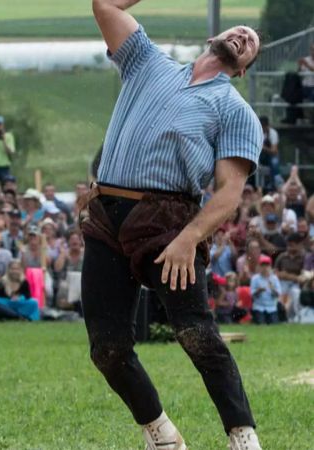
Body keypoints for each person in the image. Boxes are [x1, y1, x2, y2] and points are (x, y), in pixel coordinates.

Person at [82, 2, 263, 448]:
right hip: (107, 218)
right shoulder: (147, 61)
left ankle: (243, 436)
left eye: (252, 44)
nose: (245, 37)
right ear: (212, 37)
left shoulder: (234, 109)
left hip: (168, 223)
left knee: (196, 334)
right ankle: (160, 434)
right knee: (107, 349)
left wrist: (190, 239)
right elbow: (104, 4)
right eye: (242, 30)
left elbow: (227, 192)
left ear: (242, 70)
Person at [251, 255, 280, 325]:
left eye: (267, 265)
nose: (265, 268)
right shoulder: (255, 278)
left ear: (270, 267)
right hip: (259, 307)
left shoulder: (274, 279)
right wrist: (259, 290)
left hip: (272, 307)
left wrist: (272, 289)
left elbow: (278, 294)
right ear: (259, 267)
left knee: (274, 324)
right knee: (261, 323)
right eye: (262, 265)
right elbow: (252, 295)